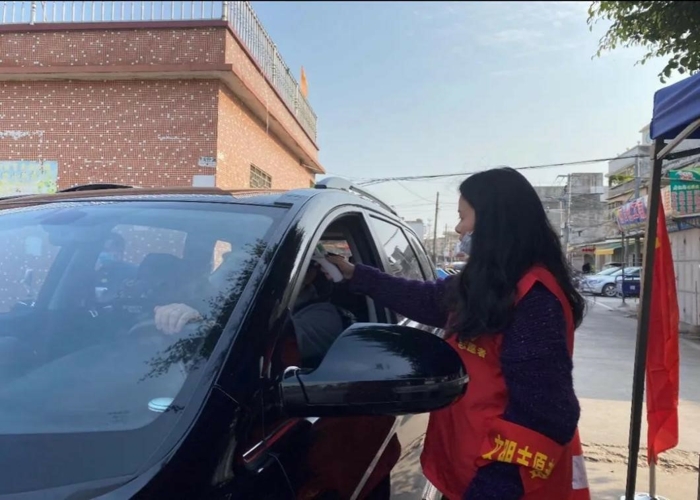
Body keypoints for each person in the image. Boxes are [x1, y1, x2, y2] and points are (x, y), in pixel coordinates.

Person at [328, 167, 590, 500]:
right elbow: (427, 299)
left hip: (507, 483)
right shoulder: (486, 284)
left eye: (463, 216)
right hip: (470, 466)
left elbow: (544, 412)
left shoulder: (534, 299)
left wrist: (493, 488)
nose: (459, 228)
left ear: (495, 222)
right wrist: (356, 275)